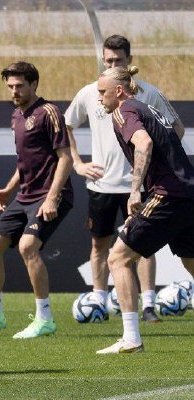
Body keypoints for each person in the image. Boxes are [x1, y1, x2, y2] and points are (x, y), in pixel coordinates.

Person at [65, 35, 184, 323]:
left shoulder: (140, 98)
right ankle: (99, 301)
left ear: (129, 61)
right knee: (101, 245)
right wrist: (78, 164)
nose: (112, 64)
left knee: (136, 249)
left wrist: (148, 171)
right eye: (108, 60)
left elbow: (170, 132)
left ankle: (146, 307)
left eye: (118, 60)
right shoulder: (92, 93)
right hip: (104, 183)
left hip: (144, 187)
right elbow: (66, 125)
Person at [0, 61, 73, 339]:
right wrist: (8, 189)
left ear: (34, 84)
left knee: (28, 246)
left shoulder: (49, 112)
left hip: (51, 195)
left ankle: (45, 319)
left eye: (19, 86)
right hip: (24, 196)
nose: (14, 91)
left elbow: (66, 158)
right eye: (10, 86)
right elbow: (25, 162)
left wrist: (52, 198)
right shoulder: (16, 115)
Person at [96, 66, 194, 354]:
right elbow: (175, 133)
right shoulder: (147, 108)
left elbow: (144, 142)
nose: (99, 98)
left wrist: (135, 189)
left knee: (118, 258)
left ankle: (131, 338)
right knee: (191, 261)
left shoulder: (123, 110)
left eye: (102, 92)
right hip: (188, 193)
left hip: (168, 195)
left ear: (118, 91)